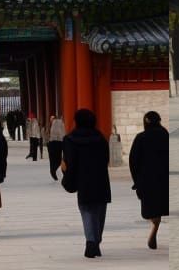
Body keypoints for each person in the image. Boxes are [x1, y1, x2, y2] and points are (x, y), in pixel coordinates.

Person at [61, 107, 112, 259]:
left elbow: (69, 162)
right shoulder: (100, 138)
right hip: (100, 179)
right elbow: (105, 159)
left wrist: (67, 177)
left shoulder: (70, 139)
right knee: (99, 212)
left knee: (87, 211)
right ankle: (96, 241)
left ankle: (91, 241)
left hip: (82, 180)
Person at [128, 111, 168, 250]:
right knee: (163, 205)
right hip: (164, 179)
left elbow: (133, 161)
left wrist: (136, 181)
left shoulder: (141, 137)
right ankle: (156, 227)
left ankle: (155, 225)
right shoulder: (165, 135)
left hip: (147, 180)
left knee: (152, 208)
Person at [47, 113, 67, 180]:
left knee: (56, 159)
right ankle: (55, 171)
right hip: (57, 141)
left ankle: (54, 171)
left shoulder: (56, 123)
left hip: (56, 142)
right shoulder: (59, 123)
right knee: (57, 159)